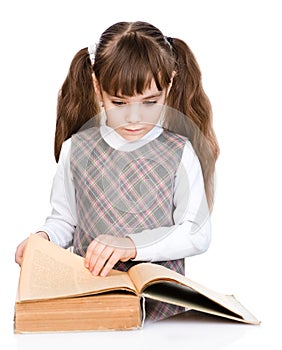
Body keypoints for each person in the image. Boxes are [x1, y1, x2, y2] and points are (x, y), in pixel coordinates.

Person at [15, 21, 219, 321]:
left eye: (150, 102)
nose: (134, 118)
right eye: (119, 102)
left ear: (170, 86)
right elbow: (64, 221)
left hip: (164, 314)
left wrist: (132, 245)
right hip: (95, 303)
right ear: (98, 86)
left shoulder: (179, 152)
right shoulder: (77, 149)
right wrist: (43, 239)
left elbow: (196, 232)